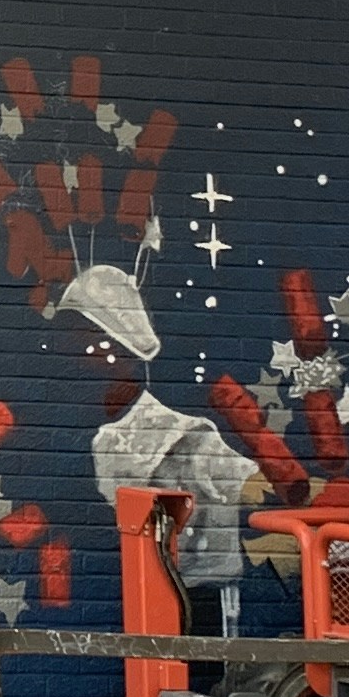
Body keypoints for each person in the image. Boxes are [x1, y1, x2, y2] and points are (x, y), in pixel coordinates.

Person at [62, 264, 260, 631]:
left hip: (199, 597)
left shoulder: (185, 434)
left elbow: (251, 486)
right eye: (72, 343)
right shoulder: (90, 439)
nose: (77, 358)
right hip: (135, 593)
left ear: (121, 351)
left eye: (89, 342)